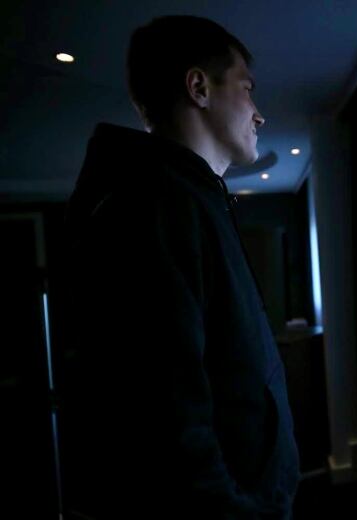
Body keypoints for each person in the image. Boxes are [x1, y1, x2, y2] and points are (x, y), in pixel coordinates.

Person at [60, 15, 299, 519]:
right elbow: (166, 419)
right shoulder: (151, 207)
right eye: (247, 89)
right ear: (199, 87)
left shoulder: (189, 199)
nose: (259, 114)